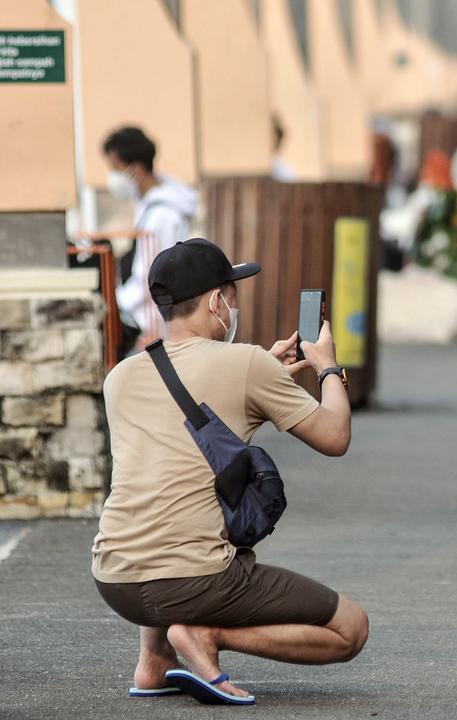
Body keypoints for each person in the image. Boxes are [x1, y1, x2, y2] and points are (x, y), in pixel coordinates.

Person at [92, 239, 368, 705]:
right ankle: (206, 635)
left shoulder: (120, 376)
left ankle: (154, 662)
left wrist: (263, 369)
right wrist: (328, 368)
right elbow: (335, 436)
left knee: (161, 497)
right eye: (232, 293)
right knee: (351, 628)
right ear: (217, 300)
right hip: (194, 582)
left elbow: (181, 443)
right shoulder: (247, 364)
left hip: (116, 578)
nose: (235, 304)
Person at [103, 126, 199, 353]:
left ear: (135, 169)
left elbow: (154, 276)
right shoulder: (151, 206)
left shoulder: (162, 216)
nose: (113, 176)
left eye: (116, 168)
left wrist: (120, 303)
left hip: (149, 330)